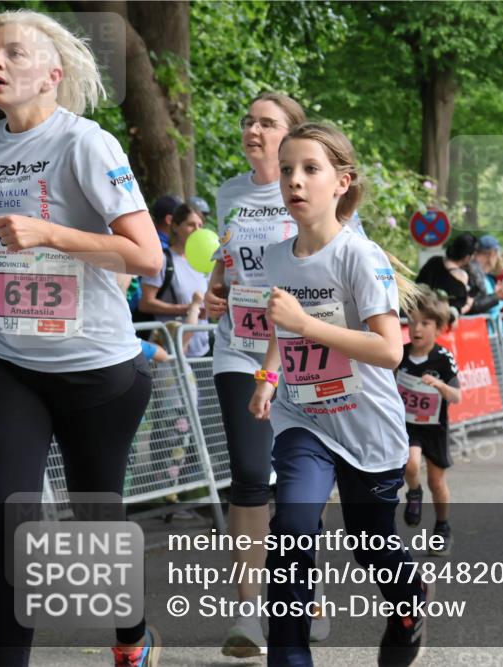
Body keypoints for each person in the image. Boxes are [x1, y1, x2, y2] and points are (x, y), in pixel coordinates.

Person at [0, 10, 163, 666]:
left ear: (52, 75)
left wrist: (50, 233)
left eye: (14, 53)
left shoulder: (86, 144)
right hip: (4, 358)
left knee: (96, 528)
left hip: (95, 367)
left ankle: (132, 635)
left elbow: (149, 258)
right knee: (8, 519)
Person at [247, 122, 429, 666]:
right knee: (293, 529)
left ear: (342, 182)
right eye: (286, 171)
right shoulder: (278, 256)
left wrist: (306, 324)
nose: (294, 182)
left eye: (309, 170)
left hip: (366, 423)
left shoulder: (360, 256)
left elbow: (389, 350)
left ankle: (407, 603)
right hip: (304, 418)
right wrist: (268, 376)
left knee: (370, 541)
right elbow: (284, 328)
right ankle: (290, 658)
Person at [201, 91, 310, 657]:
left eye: (267, 122)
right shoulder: (230, 192)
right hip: (240, 350)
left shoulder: (311, 187)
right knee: (248, 471)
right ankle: (247, 610)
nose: (253, 129)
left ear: (292, 133)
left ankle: (299, 593)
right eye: (248, 120)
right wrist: (215, 292)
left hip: (303, 357)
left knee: (298, 485)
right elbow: (227, 262)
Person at [398, 288, 462, 555]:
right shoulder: (398, 355)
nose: (417, 328)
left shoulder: (443, 359)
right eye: (411, 321)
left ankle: (442, 527)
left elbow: (457, 396)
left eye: (425, 323)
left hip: (435, 427)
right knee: (411, 463)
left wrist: (439, 385)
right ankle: (414, 491)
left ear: (438, 328)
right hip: (407, 424)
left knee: (437, 482)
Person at [139, 202, 209, 357]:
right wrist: (186, 309)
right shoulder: (163, 260)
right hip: (171, 353)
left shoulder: (204, 261)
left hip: (202, 349)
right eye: (190, 225)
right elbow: (145, 303)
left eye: (200, 225)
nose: (197, 230)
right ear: (175, 227)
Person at [415, 231, 477, 315]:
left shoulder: (433, 261)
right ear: (467, 257)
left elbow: (418, 285)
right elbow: (459, 306)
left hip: (419, 313)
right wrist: (469, 304)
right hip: (441, 320)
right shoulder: (462, 276)